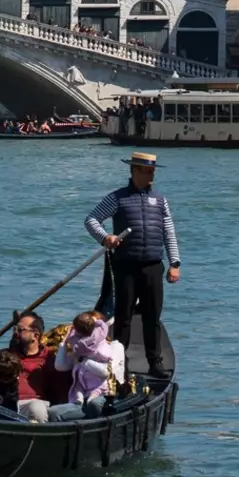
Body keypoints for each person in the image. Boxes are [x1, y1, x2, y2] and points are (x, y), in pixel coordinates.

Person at [84, 151, 180, 382]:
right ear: (134, 171)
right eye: (147, 171)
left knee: (152, 318)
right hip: (125, 267)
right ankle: (120, 364)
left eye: (153, 171)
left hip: (153, 267)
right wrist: (105, 237)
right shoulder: (117, 198)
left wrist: (175, 263)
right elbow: (91, 220)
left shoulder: (160, 199)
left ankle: (155, 363)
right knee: (123, 318)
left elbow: (169, 232)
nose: (151, 176)